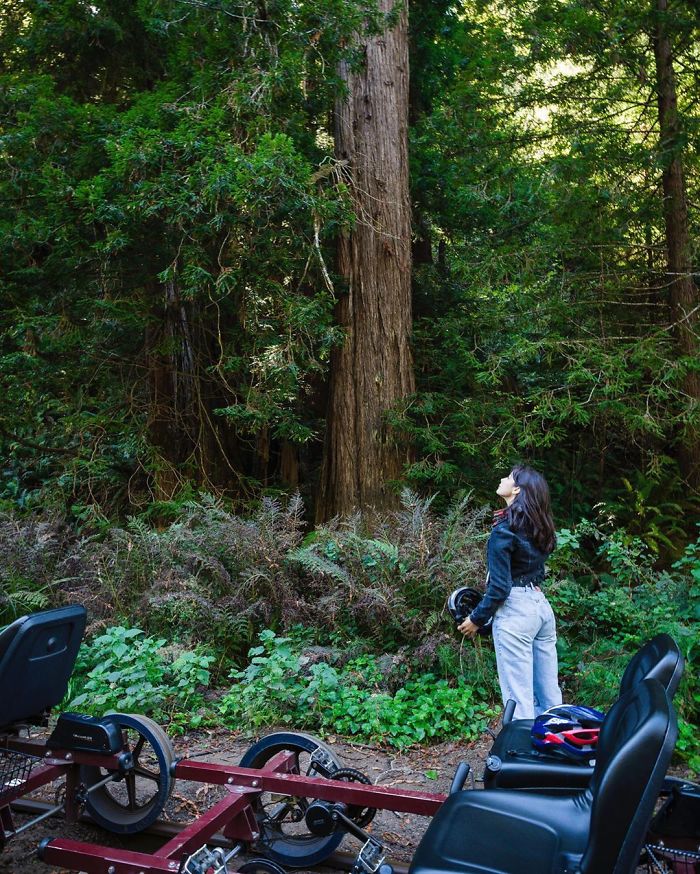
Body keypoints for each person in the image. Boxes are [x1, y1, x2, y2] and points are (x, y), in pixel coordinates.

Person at [458, 465, 562, 720]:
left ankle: (521, 754)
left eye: (509, 477)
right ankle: (556, 749)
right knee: (550, 693)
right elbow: (536, 570)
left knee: (519, 696)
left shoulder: (504, 530)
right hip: (540, 608)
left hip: (516, 613)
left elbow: (500, 588)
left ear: (516, 489)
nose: (502, 478)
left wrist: (475, 619)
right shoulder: (538, 526)